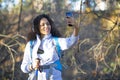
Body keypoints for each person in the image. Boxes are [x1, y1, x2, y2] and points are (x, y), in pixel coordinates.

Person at [21, 14, 79, 80]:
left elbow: (71, 41)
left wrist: (76, 28)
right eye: (43, 24)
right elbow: (23, 67)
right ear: (37, 27)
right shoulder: (31, 45)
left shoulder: (55, 41)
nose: (46, 26)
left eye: (48, 24)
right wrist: (32, 66)